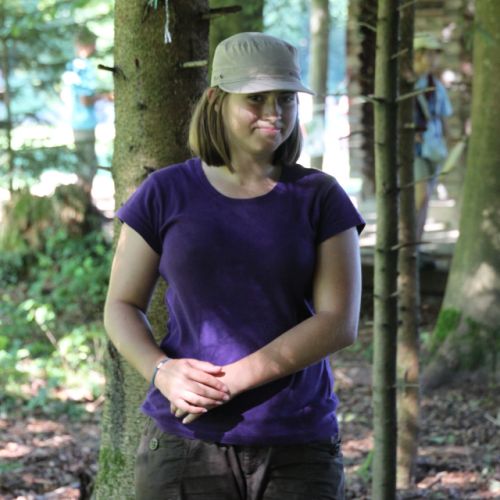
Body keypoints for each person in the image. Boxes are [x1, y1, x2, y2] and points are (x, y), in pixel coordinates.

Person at [104, 32, 365, 499]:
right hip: (184, 444)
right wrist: (161, 371)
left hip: (297, 444)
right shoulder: (165, 192)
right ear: (216, 100)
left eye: (286, 98)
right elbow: (121, 305)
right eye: (256, 98)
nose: (275, 112)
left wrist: (227, 383)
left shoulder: (320, 196)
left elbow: (339, 322)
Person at [413, 32, 453, 242]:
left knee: (424, 201)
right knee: (421, 196)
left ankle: (415, 246)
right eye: (429, 53)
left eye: (434, 54)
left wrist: (449, 141)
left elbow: (444, 117)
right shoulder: (406, 84)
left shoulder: (435, 85)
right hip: (413, 151)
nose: (433, 58)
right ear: (417, 55)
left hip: (432, 148)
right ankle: (408, 244)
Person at [62, 27, 111, 194]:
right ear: (85, 44)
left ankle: (83, 201)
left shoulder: (71, 65)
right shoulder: (83, 67)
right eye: (93, 43)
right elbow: (85, 99)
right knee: (87, 166)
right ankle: (83, 202)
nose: (95, 47)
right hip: (84, 122)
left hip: (76, 121)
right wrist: (105, 96)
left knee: (84, 163)